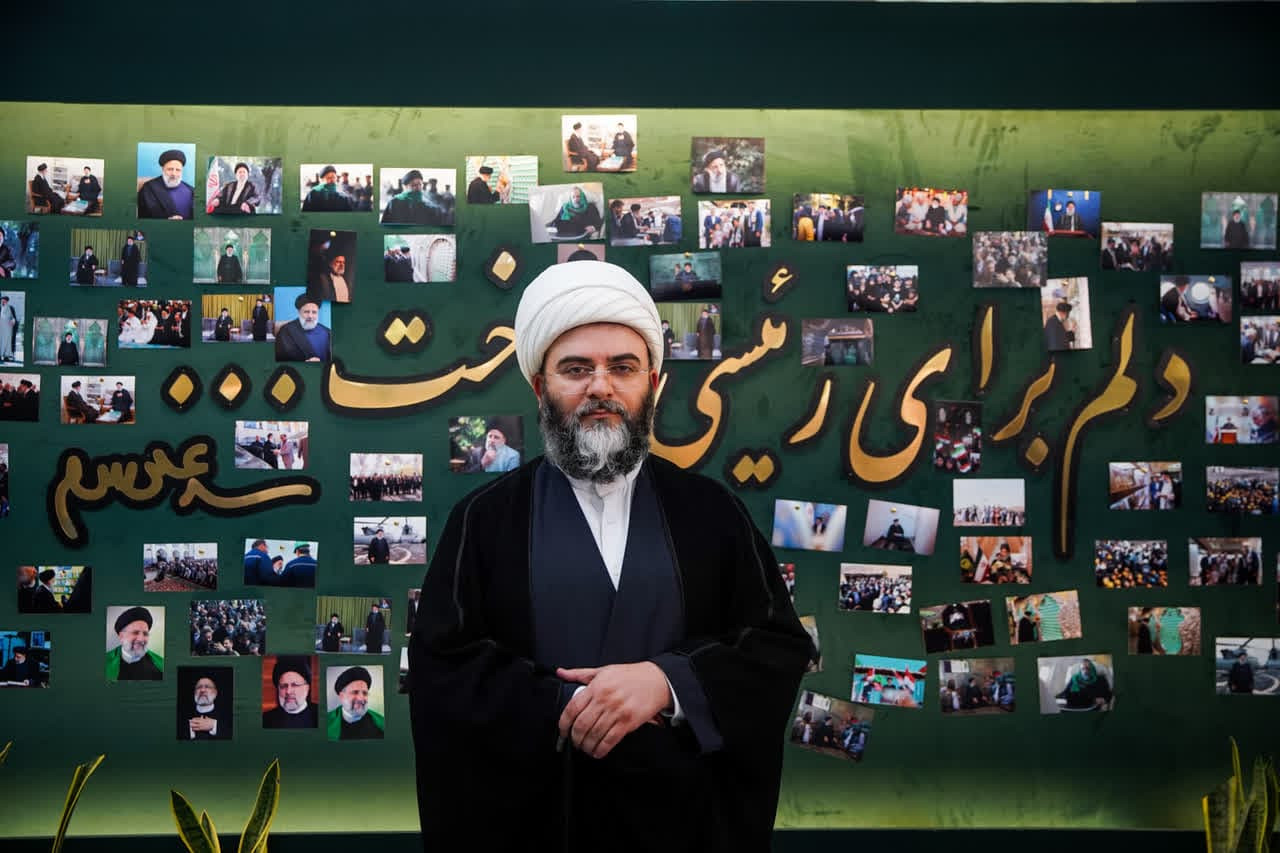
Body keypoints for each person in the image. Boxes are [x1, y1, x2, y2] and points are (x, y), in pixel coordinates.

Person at [408, 259, 812, 849]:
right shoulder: (485, 519)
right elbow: (444, 668)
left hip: (681, 829)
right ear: (540, 387)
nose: (601, 387)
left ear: (654, 383)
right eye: (577, 369)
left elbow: (775, 646)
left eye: (622, 368)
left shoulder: (711, 512)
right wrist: (569, 705)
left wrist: (669, 683)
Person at [105, 606, 164, 680]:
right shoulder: (104, 663)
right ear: (121, 636)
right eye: (135, 633)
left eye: (145, 634)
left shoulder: (160, 666)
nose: (141, 639)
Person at [328, 665, 385, 740]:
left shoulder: (380, 723)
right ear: (341, 696)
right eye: (355, 692)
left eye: (365, 693)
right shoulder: (327, 722)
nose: (361, 698)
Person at [137, 148, 194, 220]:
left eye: (178, 170)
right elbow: (141, 216)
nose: (174, 174)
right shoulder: (148, 188)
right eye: (170, 169)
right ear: (163, 169)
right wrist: (165, 221)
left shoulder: (191, 190)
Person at [263, 656, 318, 728]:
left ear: (307, 688)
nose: (288, 691)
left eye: (294, 685)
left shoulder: (320, 714)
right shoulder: (266, 720)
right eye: (283, 686)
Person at [275, 292, 331, 363]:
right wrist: (304, 363)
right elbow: (280, 359)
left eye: (314, 312)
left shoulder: (327, 332)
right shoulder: (286, 331)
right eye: (306, 312)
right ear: (299, 312)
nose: (310, 316)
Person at [179, 674, 232, 740]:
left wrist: (214, 725)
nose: (202, 690)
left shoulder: (228, 716)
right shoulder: (181, 716)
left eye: (207, 687)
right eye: (199, 687)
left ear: (215, 693)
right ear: (195, 692)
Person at [0, 295, 19, 362]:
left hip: (8, 329)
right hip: (1, 329)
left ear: (7, 301)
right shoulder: (0, 308)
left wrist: (13, 321)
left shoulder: (11, 308)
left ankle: (6, 356)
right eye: (2, 300)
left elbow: (13, 318)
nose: (3, 302)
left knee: (8, 343)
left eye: (4, 300)